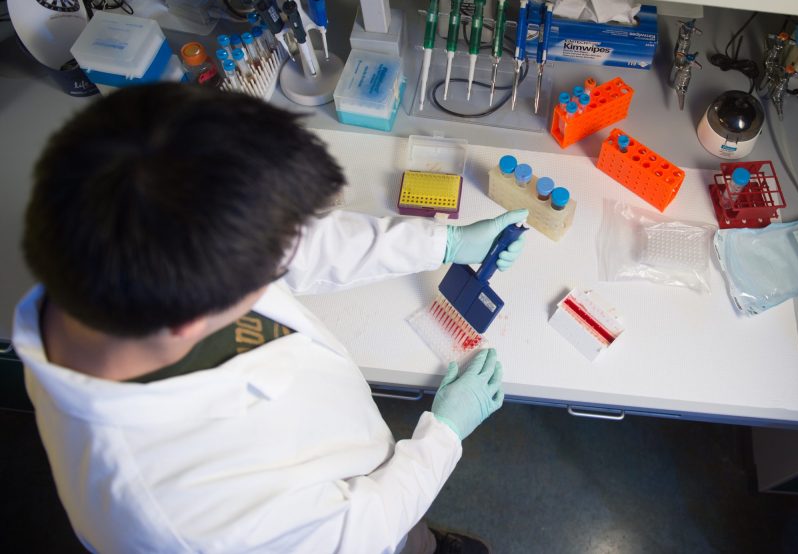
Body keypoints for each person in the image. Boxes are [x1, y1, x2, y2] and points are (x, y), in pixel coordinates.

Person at [12, 83, 529, 554]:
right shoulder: (182, 513)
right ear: (190, 324)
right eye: (270, 267)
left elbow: (285, 240)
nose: (292, 251)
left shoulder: (113, 241)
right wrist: (443, 436)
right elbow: (359, 532)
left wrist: (446, 241)